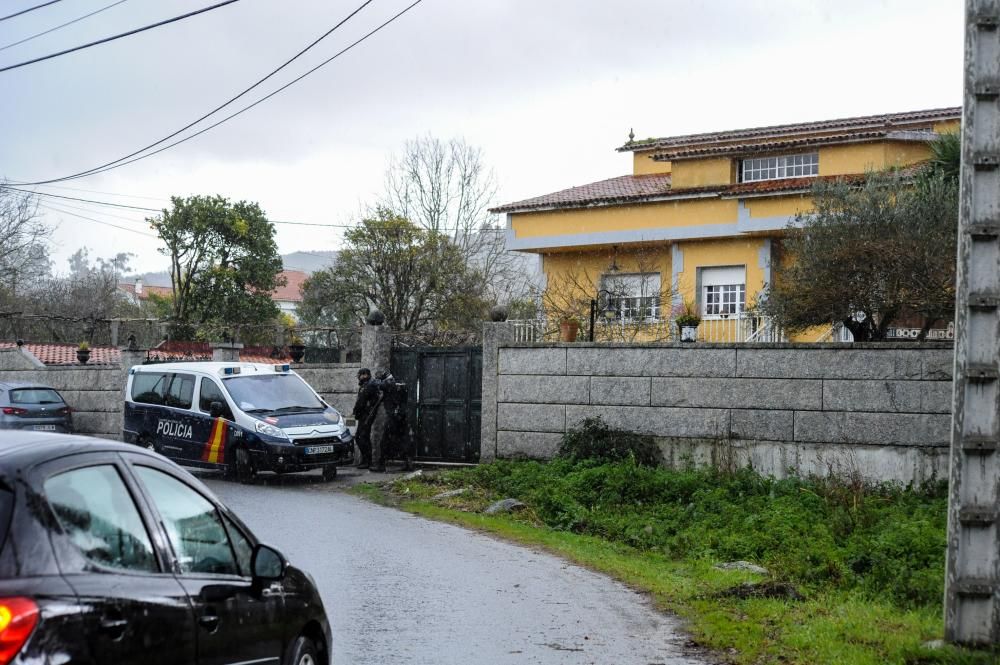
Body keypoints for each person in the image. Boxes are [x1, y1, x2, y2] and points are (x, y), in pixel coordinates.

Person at [368, 369, 413, 472]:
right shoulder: (400, 383)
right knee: (404, 440)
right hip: (402, 416)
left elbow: (375, 384)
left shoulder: (388, 383)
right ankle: (408, 462)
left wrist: (373, 380)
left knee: (384, 441)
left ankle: (381, 465)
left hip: (393, 417)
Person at [351, 368, 378, 469]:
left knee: (361, 437)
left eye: (360, 375)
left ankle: (367, 461)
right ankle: (366, 460)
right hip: (365, 414)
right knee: (362, 437)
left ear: (365, 375)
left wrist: (356, 411)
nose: (359, 377)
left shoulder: (368, 385)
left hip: (366, 415)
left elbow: (361, 401)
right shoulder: (366, 385)